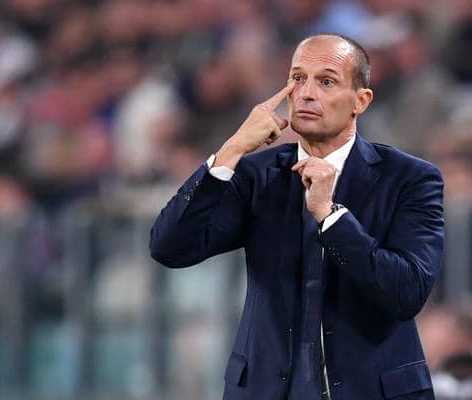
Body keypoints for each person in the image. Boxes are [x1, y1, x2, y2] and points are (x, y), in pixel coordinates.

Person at [150, 33, 444, 400]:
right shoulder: (257, 175)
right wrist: (231, 149)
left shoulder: (409, 178)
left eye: (326, 81)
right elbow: (170, 247)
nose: (305, 93)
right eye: (298, 78)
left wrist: (330, 217)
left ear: (361, 100)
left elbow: (407, 292)